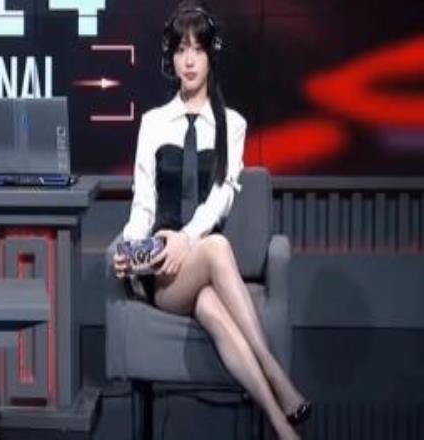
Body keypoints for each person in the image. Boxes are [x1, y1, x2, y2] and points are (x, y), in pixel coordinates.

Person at [113, 1, 310, 438]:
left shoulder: (231, 124)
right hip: (162, 269)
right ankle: (275, 373)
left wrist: (188, 239)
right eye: (180, 50)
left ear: (210, 56)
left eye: (197, 50)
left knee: (214, 307)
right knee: (217, 247)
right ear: (170, 58)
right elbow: (143, 204)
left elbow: (221, 198)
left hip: (199, 262)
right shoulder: (153, 123)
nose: (188, 60)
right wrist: (130, 248)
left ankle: (280, 423)